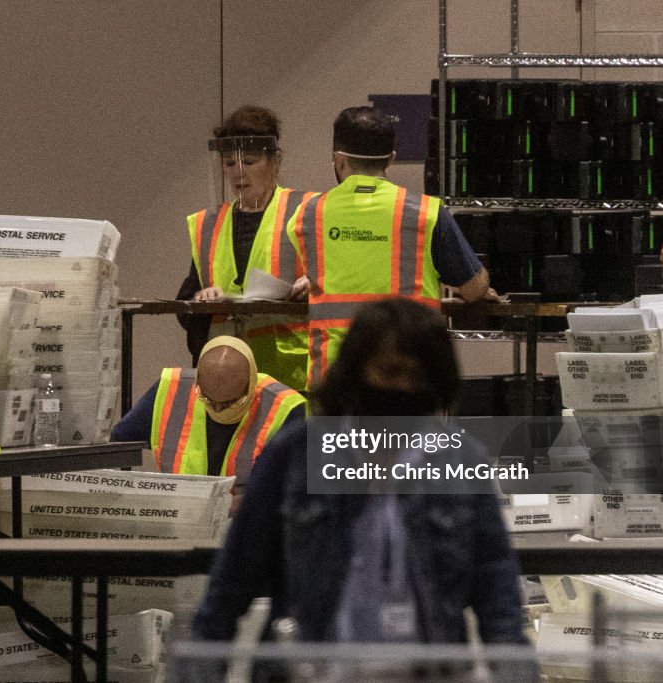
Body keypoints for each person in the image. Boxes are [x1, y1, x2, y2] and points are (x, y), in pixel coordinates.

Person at [192, 298, 527, 656]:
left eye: (417, 377)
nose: (403, 389)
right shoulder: (297, 456)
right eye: (390, 372)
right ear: (356, 371)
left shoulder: (461, 460)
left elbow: (497, 588)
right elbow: (235, 575)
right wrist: (201, 663)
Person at [287, 105, 498, 388]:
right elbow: (474, 290)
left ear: (338, 160)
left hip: (336, 382)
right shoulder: (427, 213)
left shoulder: (305, 215)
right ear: (391, 159)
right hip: (408, 379)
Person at [176, 105, 317, 390]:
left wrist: (315, 282)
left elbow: (339, 278)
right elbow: (186, 299)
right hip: (226, 377)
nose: (238, 173)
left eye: (250, 162)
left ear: (275, 161)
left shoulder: (307, 211)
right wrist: (202, 297)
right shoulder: (208, 224)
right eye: (229, 164)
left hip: (289, 377)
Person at [111, 336, 306, 497]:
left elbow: (308, 490)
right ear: (198, 381)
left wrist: (252, 504)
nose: (219, 410)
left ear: (252, 384)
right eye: (209, 400)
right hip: (182, 522)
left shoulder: (287, 408)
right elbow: (116, 446)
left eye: (231, 402)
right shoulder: (172, 389)